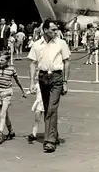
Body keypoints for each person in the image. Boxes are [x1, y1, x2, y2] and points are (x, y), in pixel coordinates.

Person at [28, 18, 70, 153]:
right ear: (45, 30)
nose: (56, 32)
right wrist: (31, 83)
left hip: (57, 77)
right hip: (42, 77)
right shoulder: (36, 44)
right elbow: (33, 63)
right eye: (53, 30)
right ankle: (54, 134)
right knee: (47, 108)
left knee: (52, 108)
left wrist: (65, 82)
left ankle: (49, 141)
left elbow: (67, 62)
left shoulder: (61, 43)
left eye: (56, 29)